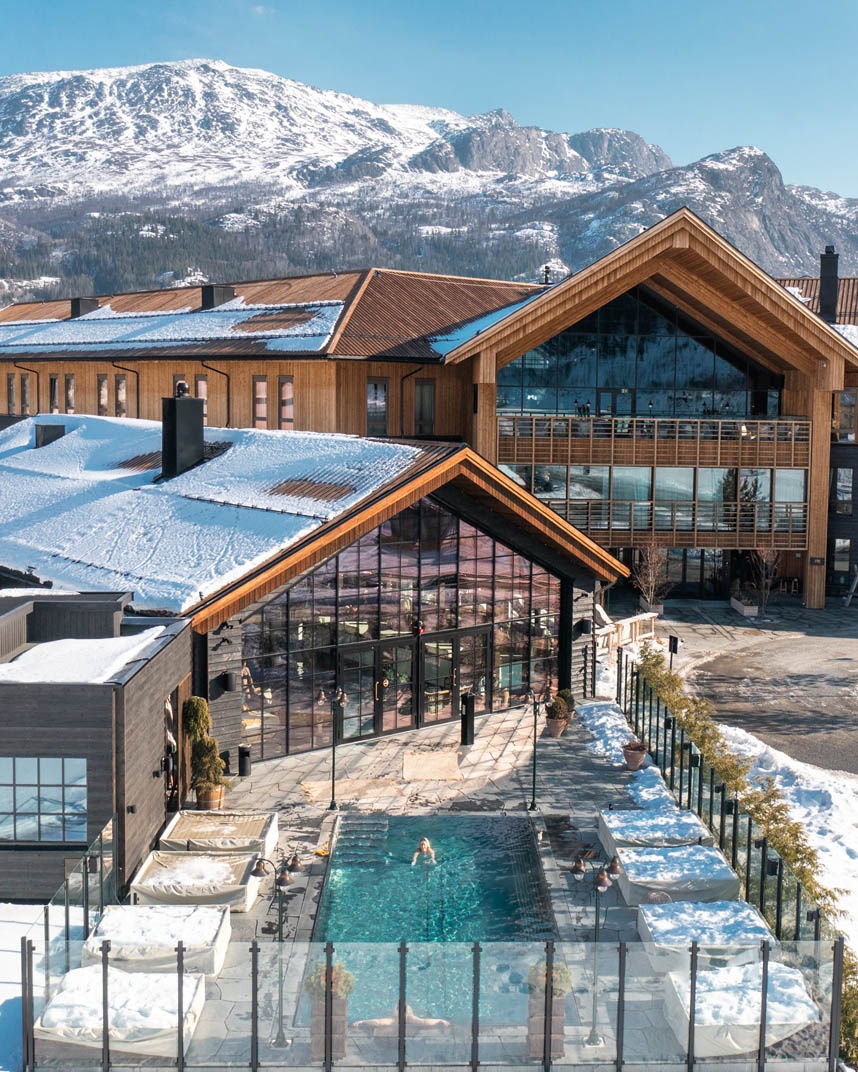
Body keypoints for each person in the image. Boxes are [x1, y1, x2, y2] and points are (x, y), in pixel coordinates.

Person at [353, 1004, 450, 1032]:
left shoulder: (410, 1018)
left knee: (419, 1022)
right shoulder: (393, 1019)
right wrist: (362, 1022)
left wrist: (440, 1021)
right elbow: (378, 1022)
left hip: (405, 1014)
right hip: (397, 1015)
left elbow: (424, 1022)